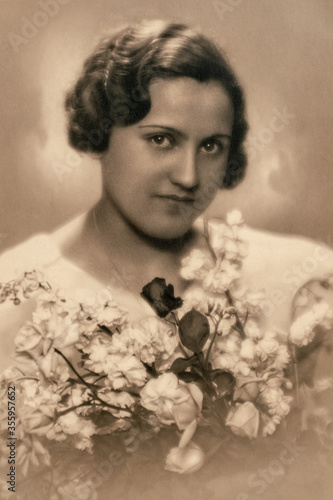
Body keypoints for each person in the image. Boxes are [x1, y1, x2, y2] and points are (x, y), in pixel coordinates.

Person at [1, 19, 333, 500]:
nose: (189, 176)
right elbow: (9, 481)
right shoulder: (18, 299)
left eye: (211, 146)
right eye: (161, 139)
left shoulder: (297, 281)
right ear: (103, 132)